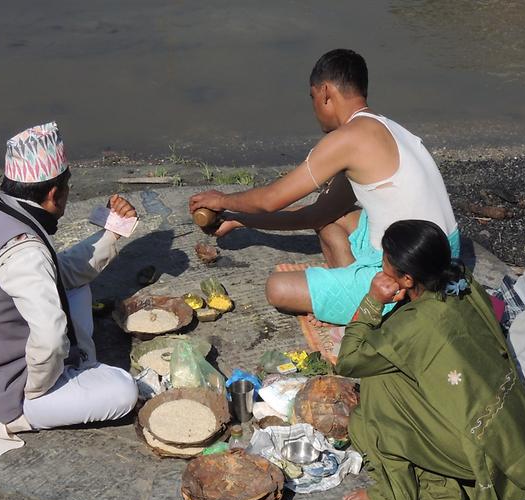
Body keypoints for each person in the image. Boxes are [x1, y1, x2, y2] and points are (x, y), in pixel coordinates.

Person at [0, 122, 138, 462]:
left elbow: (59, 273)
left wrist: (111, 235)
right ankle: (35, 402)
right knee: (123, 391)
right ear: (53, 194)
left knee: (76, 288)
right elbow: (49, 338)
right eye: (67, 191)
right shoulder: (23, 248)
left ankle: (66, 376)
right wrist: (37, 389)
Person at [188, 48, 459, 325]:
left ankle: (374, 306)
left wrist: (222, 200)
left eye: (313, 97)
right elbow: (317, 215)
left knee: (278, 288)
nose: (314, 107)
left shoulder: (347, 138)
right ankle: (358, 288)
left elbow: (271, 198)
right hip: (443, 252)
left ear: (326, 92)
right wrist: (241, 220)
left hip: (412, 271)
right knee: (332, 220)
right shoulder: (387, 128)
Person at [335, 220, 525, 500]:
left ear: (406, 278)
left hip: (478, 453)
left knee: (374, 392)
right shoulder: (461, 283)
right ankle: (442, 496)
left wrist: (372, 301)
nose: (381, 265)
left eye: (386, 260)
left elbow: (347, 361)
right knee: (394, 366)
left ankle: (396, 494)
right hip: (510, 431)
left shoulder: (416, 324)